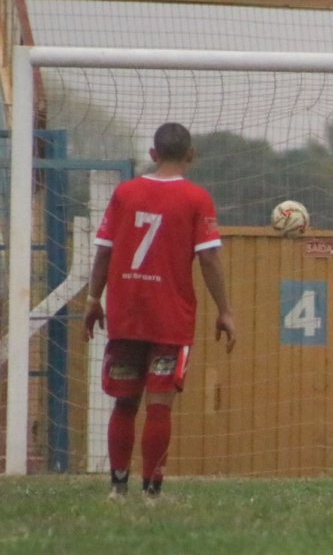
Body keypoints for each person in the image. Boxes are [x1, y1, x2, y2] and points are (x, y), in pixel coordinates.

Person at [83, 123, 236, 500]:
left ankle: (118, 489)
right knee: (159, 404)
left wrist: (92, 300)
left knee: (124, 401)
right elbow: (210, 260)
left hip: (126, 314)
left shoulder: (125, 193)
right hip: (170, 318)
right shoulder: (197, 199)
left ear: (152, 154)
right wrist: (225, 310)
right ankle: (152, 492)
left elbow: (103, 250)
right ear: (191, 154)